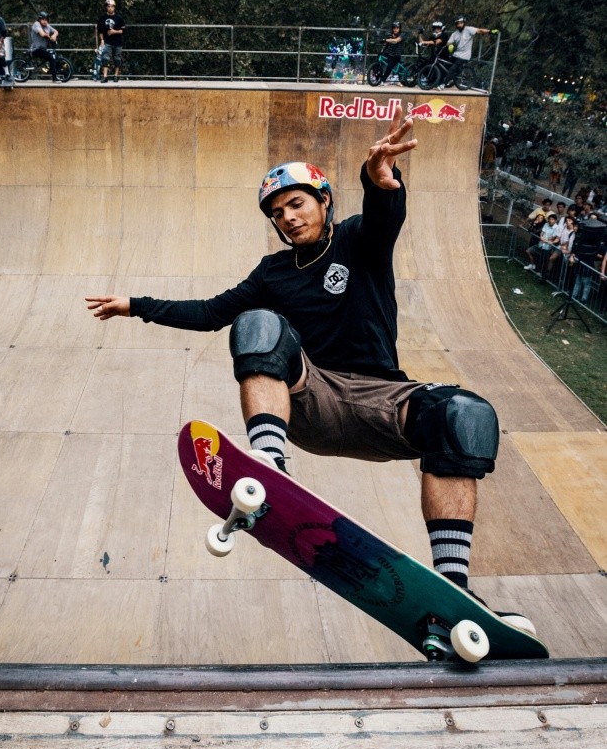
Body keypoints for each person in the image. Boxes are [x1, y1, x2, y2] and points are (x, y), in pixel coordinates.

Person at [86, 107, 535, 634]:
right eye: (277, 213)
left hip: (382, 400)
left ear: (323, 201)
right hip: (310, 396)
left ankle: (453, 592)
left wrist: (379, 181)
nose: (288, 218)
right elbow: (210, 313)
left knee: (466, 413)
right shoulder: (272, 271)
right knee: (257, 322)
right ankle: (269, 462)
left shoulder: (356, 241)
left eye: (296, 204)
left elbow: (385, 217)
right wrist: (135, 304)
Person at [446, 16, 497, 84]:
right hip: (456, 54)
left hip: (464, 56)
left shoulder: (468, 29)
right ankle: (449, 79)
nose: (459, 25)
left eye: (461, 23)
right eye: (457, 23)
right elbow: (448, 42)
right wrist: (450, 45)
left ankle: (444, 84)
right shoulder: (455, 34)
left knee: (453, 69)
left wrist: (490, 31)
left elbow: (480, 30)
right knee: (445, 65)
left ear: (464, 23)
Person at [96, 0, 125, 82]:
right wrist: (102, 40)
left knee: (117, 59)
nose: (110, 8)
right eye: (109, 6)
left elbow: (123, 30)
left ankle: (116, 76)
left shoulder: (119, 18)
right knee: (105, 58)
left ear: (114, 7)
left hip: (117, 42)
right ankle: (105, 76)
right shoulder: (102, 18)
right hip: (107, 41)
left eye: (112, 6)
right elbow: (100, 30)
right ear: (106, 7)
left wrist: (114, 31)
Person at [30, 12, 59, 80]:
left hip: (43, 48)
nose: (44, 21)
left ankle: (66, 75)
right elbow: (42, 34)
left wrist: (54, 35)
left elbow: (56, 31)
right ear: (39, 20)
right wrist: (49, 36)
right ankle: (54, 78)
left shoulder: (47, 25)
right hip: (36, 49)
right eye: (43, 20)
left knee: (56, 57)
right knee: (51, 58)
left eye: (46, 20)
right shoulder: (36, 25)